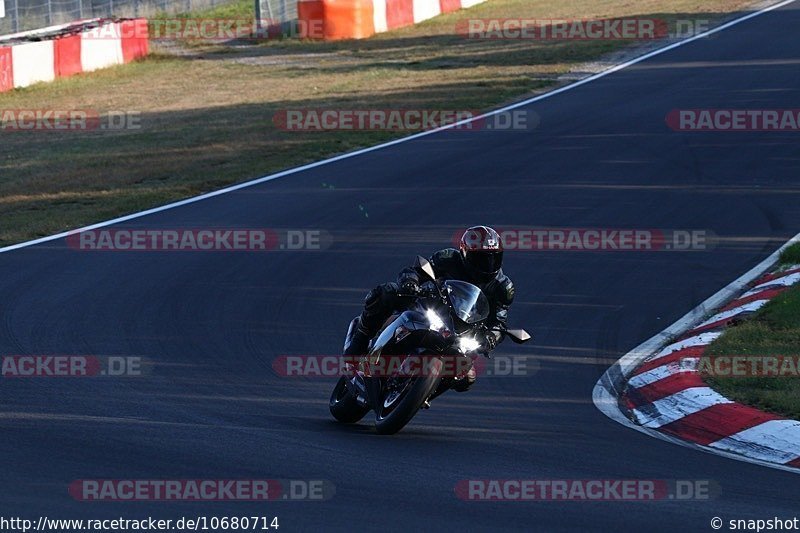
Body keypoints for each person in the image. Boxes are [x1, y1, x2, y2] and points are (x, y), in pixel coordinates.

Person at [343, 225, 515, 391]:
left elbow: (499, 321)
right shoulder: (448, 258)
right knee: (387, 292)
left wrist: (492, 336)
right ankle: (360, 341)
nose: (488, 263)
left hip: (463, 331)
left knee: (466, 378)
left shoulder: (503, 287)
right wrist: (411, 282)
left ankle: (422, 391)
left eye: (494, 257)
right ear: (465, 254)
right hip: (431, 306)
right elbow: (417, 270)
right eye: (481, 258)